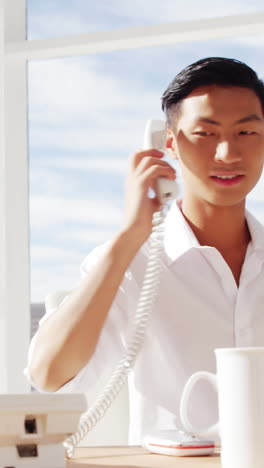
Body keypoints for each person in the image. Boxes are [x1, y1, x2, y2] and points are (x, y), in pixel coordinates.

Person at [25, 57, 264, 444]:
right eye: (205, 133)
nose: (227, 154)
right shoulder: (135, 262)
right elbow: (49, 376)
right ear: (168, 144)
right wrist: (130, 236)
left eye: (247, 133)